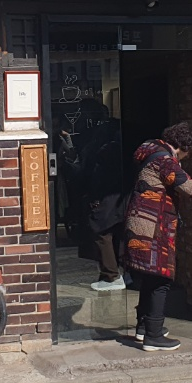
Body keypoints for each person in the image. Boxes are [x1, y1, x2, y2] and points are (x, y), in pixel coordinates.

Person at [122, 122, 192, 351]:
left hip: (140, 223)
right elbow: (191, 189)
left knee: (150, 278)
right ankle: (154, 337)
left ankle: (144, 328)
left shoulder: (151, 150)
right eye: (188, 152)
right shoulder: (165, 161)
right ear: (183, 146)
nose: (187, 156)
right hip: (153, 226)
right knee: (161, 280)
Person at [58, 101, 127, 291]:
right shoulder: (117, 142)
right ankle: (118, 272)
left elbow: (91, 173)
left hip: (104, 196)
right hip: (118, 196)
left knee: (102, 233)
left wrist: (71, 167)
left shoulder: (99, 146)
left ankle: (111, 276)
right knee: (115, 232)